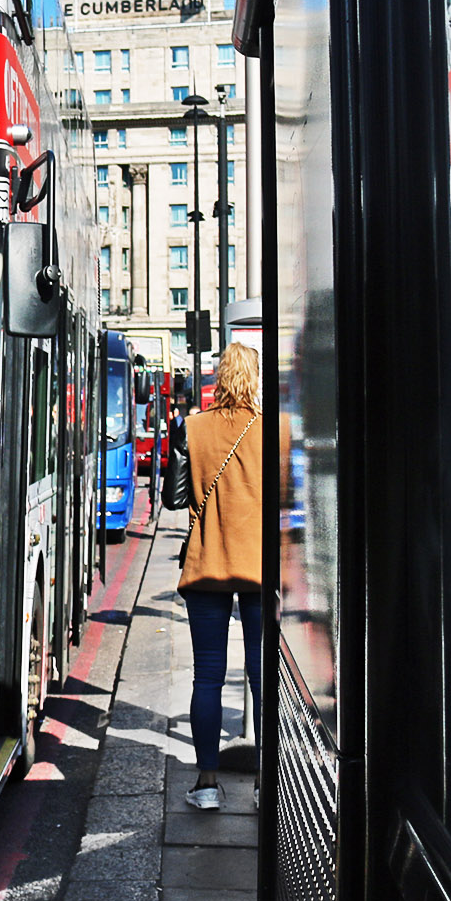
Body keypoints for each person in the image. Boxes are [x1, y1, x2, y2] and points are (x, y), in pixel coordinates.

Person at [180, 343, 265, 810]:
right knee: (261, 674)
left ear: (219, 377)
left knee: (207, 675)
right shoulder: (279, 428)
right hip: (259, 568)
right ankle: (264, 786)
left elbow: (176, 497)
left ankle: (208, 784)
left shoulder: (193, 427)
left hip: (208, 563)